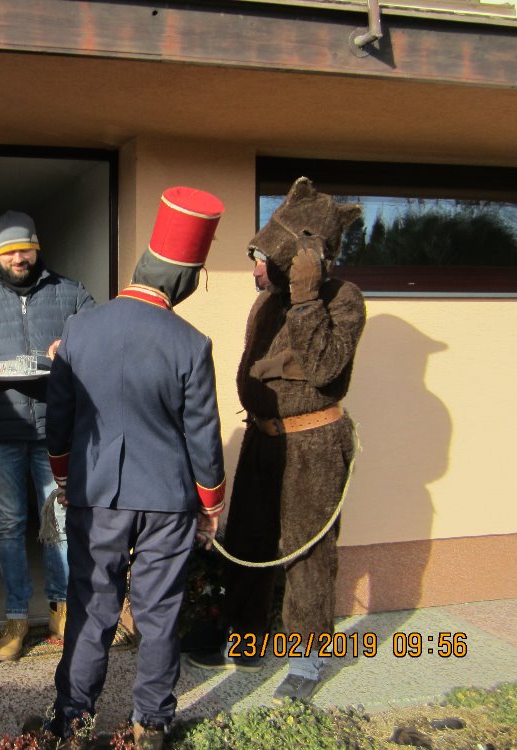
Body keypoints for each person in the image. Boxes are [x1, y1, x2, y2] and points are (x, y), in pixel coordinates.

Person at [40, 187, 227, 750]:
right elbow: (203, 437)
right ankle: (153, 724)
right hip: (168, 500)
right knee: (159, 614)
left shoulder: (79, 329)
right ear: (184, 280)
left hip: (95, 494)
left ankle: (72, 722)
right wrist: (211, 504)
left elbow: (58, 422)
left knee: (90, 608)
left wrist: (66, 479)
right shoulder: (191, 343)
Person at [189, 177, 365, 704]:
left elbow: (324, 367)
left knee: (307, 554)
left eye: (262, 258)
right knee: (248, 543)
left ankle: (308, 661)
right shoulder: (266, 303)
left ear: (300, 258)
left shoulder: (344, 299)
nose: (254, 268)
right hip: (263, 440)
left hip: (314, 445)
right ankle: (246, 641)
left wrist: (308, 299)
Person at [0, 210, 94, 661]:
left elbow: (100, 335)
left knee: (58, 522)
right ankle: (15, 616)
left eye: (25, 250)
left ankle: (61, 608)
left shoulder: (70, 292)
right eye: (9, 252)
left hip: (54, 429)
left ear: (37, 247)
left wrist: (73, 346)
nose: (18, 259)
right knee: (9, 525)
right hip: (0, 430)